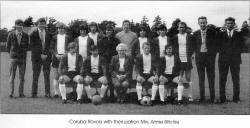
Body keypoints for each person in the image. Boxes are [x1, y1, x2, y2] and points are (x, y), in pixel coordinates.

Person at [217, 17, 244, 103]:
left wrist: (234, 53)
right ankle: (222, 98)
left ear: (234, 24)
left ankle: (236, 98)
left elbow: (241, 47)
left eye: (231, 23)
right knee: (222, 80)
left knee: (236, 80)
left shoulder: (239, 34)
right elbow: (217, 46)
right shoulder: (220, 34)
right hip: (223, 61)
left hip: (235, 60)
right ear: (225, 24)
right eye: (228, 23)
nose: (229, 25)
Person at [192, 16, 218, 103]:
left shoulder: (213, 32)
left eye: (204, 22)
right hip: (199, 59)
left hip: (210, 58)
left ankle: (212, 98)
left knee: (211, 78)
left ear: (206, 23)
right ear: (198, 23)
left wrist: (213, 55)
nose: (202, 24)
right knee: (201, 79)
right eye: (201, 23)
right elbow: (194, 46)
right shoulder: (195, 33)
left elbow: (215, 45)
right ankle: (202, 97)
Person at [171, 21, 195, 102]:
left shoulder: (189, 36)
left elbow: (192, 47)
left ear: (185, 28)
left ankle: (190, 96)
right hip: (179, 61)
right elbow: (173, 49)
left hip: (187, 60)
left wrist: (191, 55)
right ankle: (179, 96)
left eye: (183, 27)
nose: (181, 28)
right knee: (180, 78)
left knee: (188, 78)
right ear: (178, 28)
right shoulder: (175, 37)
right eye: (180, 27)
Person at [6, 19, 29, 98]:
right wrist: (12, 55)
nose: (20, 26)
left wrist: (22, 54)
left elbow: (27, 47)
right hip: (13, 59)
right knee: (12, 76)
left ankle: (21, 93)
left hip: (22, 59)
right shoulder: (10, 34)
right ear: (15, 25)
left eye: (21, 25)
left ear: (22, 26)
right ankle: (11, 93)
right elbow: (7, 47)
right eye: (18, 25)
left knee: (22, 77)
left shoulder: (26, 35)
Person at [30, 17, 52, 98]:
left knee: (47, 76)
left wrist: (46, 54)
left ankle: (47, 93)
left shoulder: (49, 34)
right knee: (35, 76)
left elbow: (50, 46)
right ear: (37, 24)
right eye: (40, 23)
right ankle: (34, 93)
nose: (41, 25)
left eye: (43, 23)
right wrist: (40, 54)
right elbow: (32, 46)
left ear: (45, 24)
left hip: (47, 57)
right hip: (36, 58)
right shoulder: (33, 34)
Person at [99, 25, 120, 102]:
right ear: (105, 31)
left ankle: (112, 95)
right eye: (107, 30)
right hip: (105, 62)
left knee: (113, 78)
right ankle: (104, 96)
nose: (108, 32)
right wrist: (105, 54)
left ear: (112, 31)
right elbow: (100, 51)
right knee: (107, 78)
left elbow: (118, 51)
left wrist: (111, 54)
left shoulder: (116, 40)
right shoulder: (102, 40)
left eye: (110, 30)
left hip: (114, 61)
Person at [50, 22, 71, 98]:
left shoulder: (68, 37)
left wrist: (66, 54)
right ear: (57, 29)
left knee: (64, 75)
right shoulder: (54, 37)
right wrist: (56, 54)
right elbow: (51, 48)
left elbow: (70, 47)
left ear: (64, 29)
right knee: (56, 76)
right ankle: (56, 92)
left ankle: (64, 93)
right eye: (59, 28)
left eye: (62, 28)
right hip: (56, 57)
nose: (61, 30)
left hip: (66, 58)